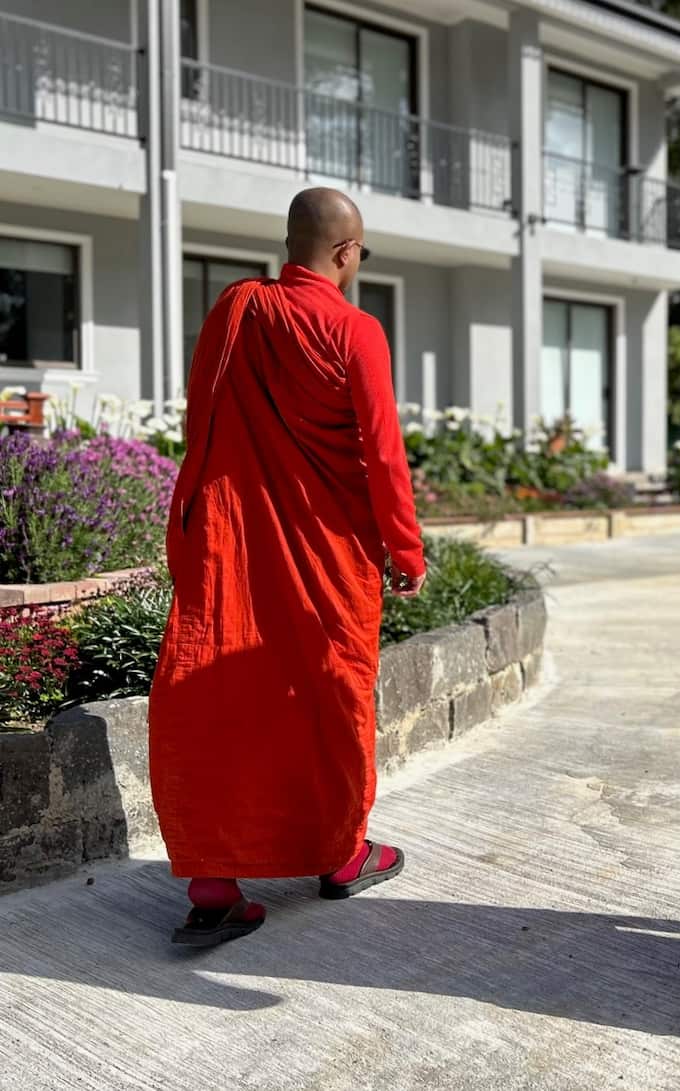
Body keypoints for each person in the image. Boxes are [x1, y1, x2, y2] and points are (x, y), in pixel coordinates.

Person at [150, 187, 426, 947]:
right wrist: (404, 548)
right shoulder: (356, 328)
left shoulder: (238, 309)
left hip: (233, 542)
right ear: (345, 253)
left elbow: (200, 414)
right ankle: (341, 855)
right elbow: (381, 450)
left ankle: (214, 881)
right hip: (328, 551)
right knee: (330, 694)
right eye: (360, 254)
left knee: (221, 690)